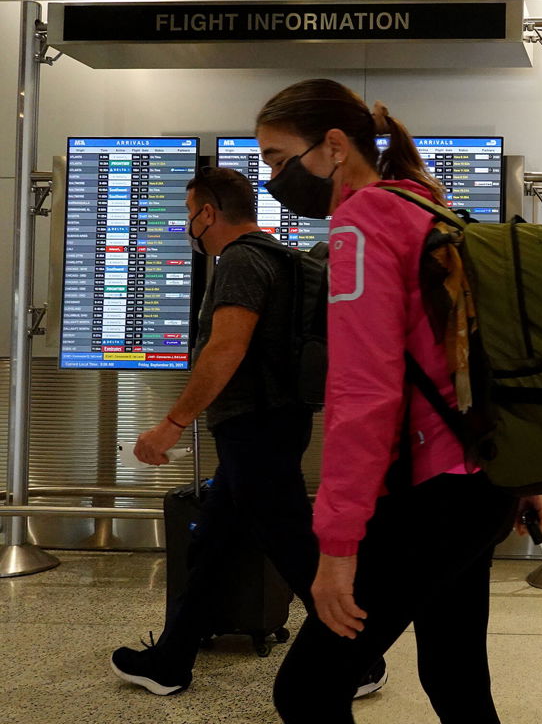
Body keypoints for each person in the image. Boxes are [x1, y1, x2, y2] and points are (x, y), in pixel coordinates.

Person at [258, 78, 542, 724]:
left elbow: (364, 395)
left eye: (278, 158)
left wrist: (337, 546)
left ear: (333, 147)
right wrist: (523, 473)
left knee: (305, 691)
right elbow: (471, 360)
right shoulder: (426, 205)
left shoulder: (361, 225)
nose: (272, 177)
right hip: (482, 483)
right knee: (454, 673)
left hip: (430, 499)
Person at [108, 166, 386, 700]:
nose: (189, 226)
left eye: (190, 214)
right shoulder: (281, 257)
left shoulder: (239, 260)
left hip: (254, 427)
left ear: (207, 212)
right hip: (275, 422)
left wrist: (171, 425)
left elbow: (227, 347)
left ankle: (362, 661)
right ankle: (171, 660)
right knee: (213, 545)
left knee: (295, 550)